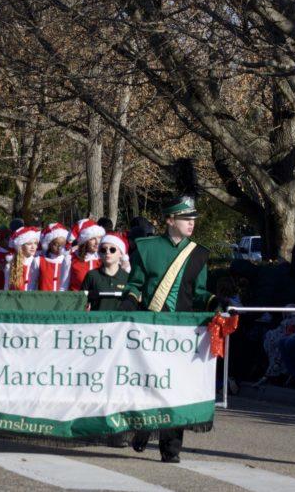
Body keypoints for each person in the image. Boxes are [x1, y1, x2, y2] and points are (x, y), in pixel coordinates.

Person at [121, 195, 219, 463]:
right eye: (186, 219)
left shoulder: (199, 253)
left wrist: (215, 301)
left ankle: (171, 447)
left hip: (183, 332)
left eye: (193, 219)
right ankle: (142, 428)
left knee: (176, 388)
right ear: (170, 220)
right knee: (148, 383)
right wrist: (128, 304)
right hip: (150, 328)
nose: (192, 224)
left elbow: (198, 292)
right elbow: (135, 285)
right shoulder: (146, 248)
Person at [82, 233, 129, 310]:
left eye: (112, 249)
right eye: (103, 250)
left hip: (119, 321)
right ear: (99, 253)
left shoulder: (127, 277)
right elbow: (82, 302)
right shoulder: (92, 275)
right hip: (96, 321)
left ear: (121, 253)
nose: (107, 252)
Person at [67, 219, 106, 291]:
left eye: (99, 238)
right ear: (84, 241)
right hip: (77, 300)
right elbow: (63, 287)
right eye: (92, 239)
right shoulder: (71, 258)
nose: (97, 242)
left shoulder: (105, 258)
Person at [3, 226, 41, 291]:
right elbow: (6, 287)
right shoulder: (11, 265)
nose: (33, 247)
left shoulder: (39, 263)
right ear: (21, 246)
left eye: (35, 243)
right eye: (29, 244)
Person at [37, 223, 71, 292]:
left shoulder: (68, 260)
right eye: (56, 244)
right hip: (44, 299)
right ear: (49, 244)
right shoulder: (40, 260)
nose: (59, 248)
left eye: (62, 244)